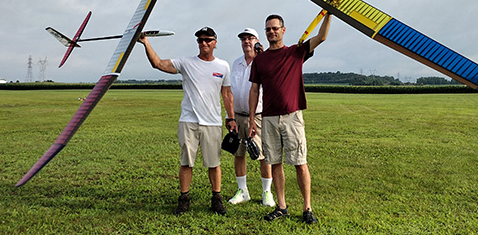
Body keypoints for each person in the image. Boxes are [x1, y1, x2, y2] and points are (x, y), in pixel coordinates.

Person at [138, 26, 236, 216]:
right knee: (186, 163)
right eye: (200, 40)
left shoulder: (223, 66)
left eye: (208, 40)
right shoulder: (185, 63)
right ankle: (184, 199)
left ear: (215, 42)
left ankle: (216, 199)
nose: (204, 43)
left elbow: (227, 93)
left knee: (214, 163)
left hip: (212, 123)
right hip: (188, 122)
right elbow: (158, 64)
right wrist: (146, 43)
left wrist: (230, 118)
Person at [249, 13, 332, 224]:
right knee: (274, 162)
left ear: (283, 30)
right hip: (268, 118)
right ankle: (282, 206)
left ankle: (307, 208)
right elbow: (254, 89)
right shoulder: (260, 60)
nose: (271, 32)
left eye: (275, 28)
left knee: (300, 163)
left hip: (292, 116)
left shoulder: (296, 52)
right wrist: (252, 118)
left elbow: (321, 37)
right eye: (268, 29)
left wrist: (329, 13)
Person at [227, 28, 275, 207]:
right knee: (238, 153)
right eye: (243, 39)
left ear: (257, 41)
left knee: (263, 155)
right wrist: (229, 116)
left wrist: (263, 55)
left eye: (250, 38)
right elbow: (231, 91)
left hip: (259, 116)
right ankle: (243, 190)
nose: (246, 41)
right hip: (238, 115)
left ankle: (267, 192)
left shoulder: (263, 61)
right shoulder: (236, 63)